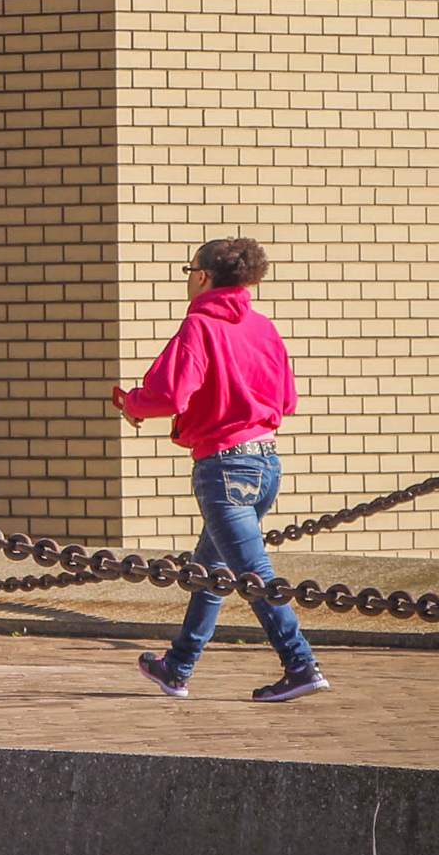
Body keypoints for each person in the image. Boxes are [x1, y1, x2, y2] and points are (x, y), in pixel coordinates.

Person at [111, 237, 329, 702]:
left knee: (253, 574)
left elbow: (170, 395)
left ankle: (300, 664)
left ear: (204, 276)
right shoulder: (264, 328)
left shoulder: (199, 326)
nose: (188, 279)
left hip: (224, 467)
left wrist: (131, 402)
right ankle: (177, 666)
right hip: (266, 462)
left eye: (190, 270)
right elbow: (286, 399)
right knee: (211, 571)